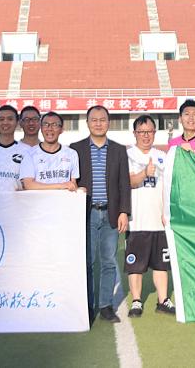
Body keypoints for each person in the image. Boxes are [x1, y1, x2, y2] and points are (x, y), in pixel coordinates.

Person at [71, 106, 131, 325]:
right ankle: (87, 306)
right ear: (87, 123)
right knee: (86, 262)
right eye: (94, 120)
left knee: (108, 261)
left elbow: (124, 183)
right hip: (86, 214)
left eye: (102, 119)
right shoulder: (75, 149)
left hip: (110, 214)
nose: (98, 123)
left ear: (109, 123)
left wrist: (124, 211)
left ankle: (105, 305)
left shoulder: (118, 150)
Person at [124, 115, 174, 318]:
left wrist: (166, 213)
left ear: (155, 133)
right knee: (135, 265)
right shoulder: (127, 155)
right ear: (134, 133)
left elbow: (168, 187)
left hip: (159, 221)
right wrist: (145, 173)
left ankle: (163, 300)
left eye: (150, 132)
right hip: (136, 221)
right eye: (141, 132)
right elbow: (126, 182)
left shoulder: (162, 156)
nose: (146, 136)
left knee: (161, 264)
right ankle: (136, 300)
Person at [21, 112, 81, 190]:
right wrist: (61, 185)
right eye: (46, 124)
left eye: (55, 125)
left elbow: (73, 184)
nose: (50, 128)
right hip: (39, 198)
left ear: (61, 129)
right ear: (41, 128)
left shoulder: (71, 154)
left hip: (63, 198)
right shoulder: (29, 154)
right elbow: (29, 185)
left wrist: (79, 190)